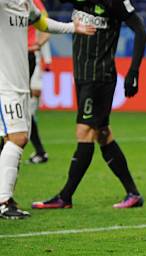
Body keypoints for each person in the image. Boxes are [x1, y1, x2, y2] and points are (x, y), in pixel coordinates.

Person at [32, 0, 146, 210]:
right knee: (103, 134)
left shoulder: (115, 2)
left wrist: (134, 71)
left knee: (84, 131)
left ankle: (65, 196)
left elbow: (140, 30)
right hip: (82, 75)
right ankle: (133, 193)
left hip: (99, 76)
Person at [0, 0, 95, 219]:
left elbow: (41, 23)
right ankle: (4, 201)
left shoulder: (25, 3)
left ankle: (6, 197)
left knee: (11, 140)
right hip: (4, 84)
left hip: (19, 82)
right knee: (18, 138)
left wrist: (73, 28)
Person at [27, 0, 52, 164]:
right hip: (10, 57)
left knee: (26, 109)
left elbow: (46, 26)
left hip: (28, 56)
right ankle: (40, 151)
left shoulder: (33, 2)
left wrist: (38, 45)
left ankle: (40, 151)